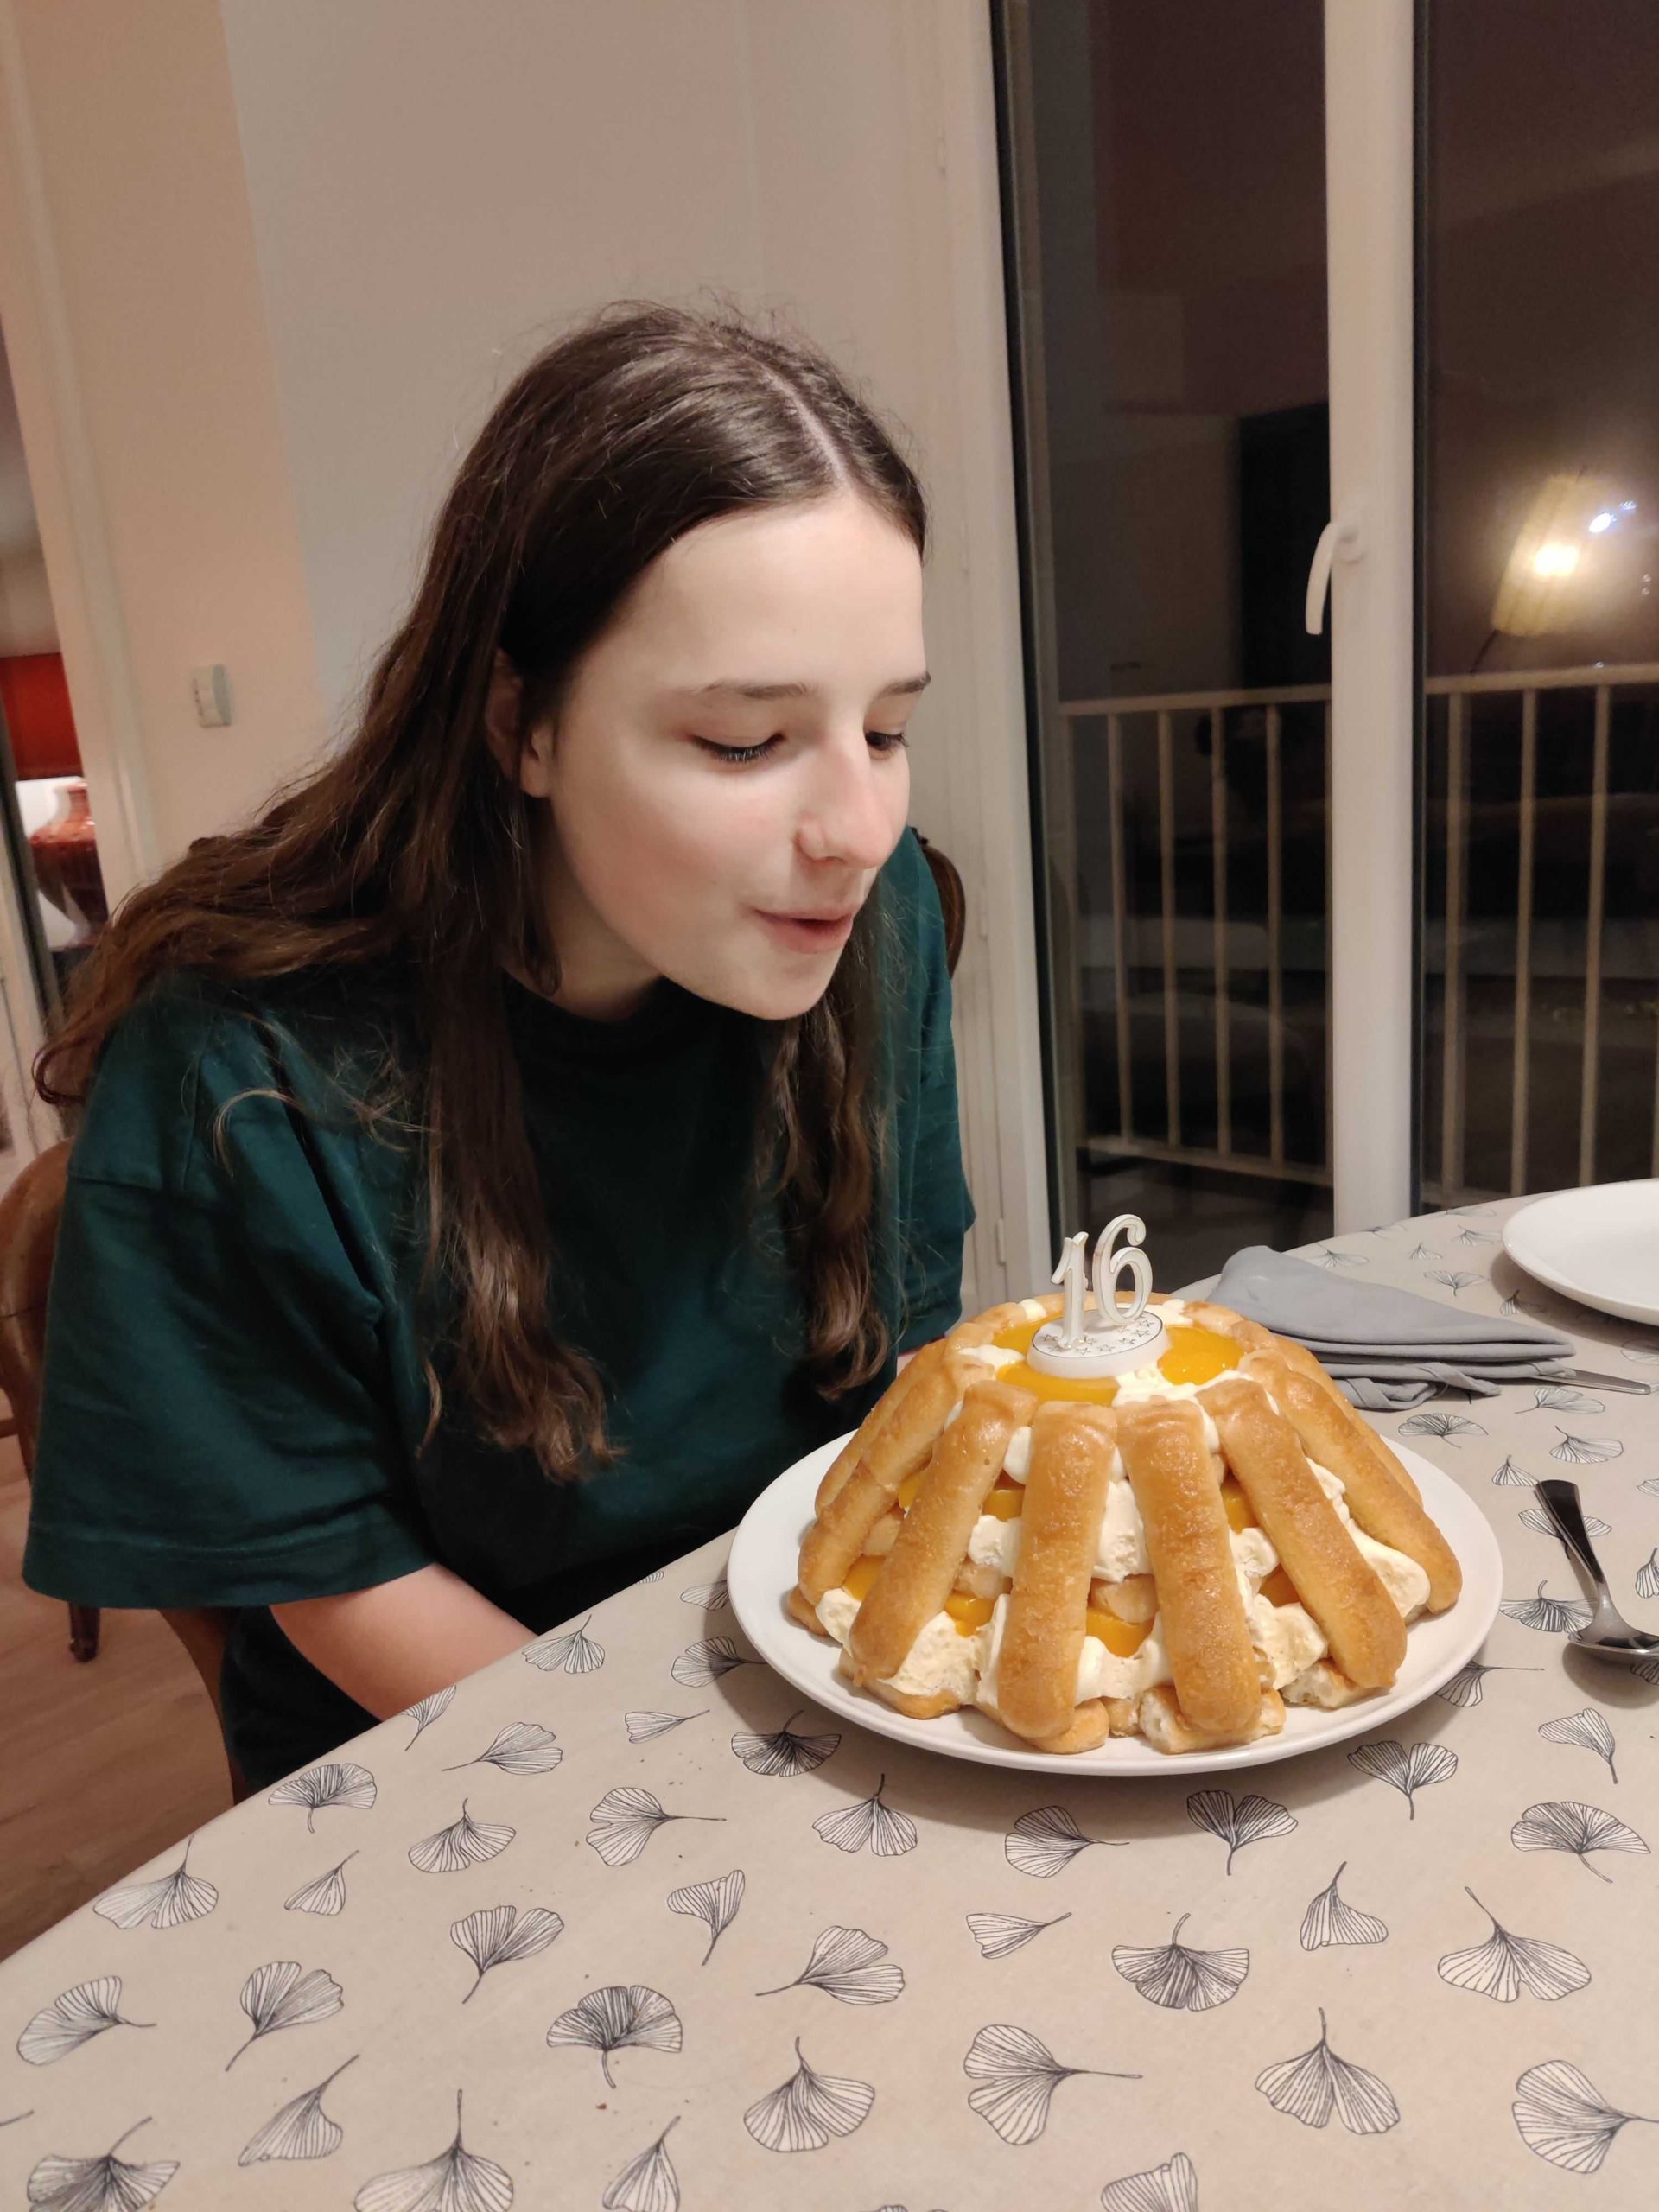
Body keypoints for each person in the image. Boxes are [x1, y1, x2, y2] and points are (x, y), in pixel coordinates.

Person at [22, 301, 975, 1789]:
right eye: (746, 741)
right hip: (452, 1760)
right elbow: (339, 1578)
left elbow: (909, 1371)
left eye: (889, 728)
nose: (855, 829)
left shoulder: (875, 917)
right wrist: (672, 1778)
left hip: (805, 1666)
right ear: (520, 721)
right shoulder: (238, 1064)